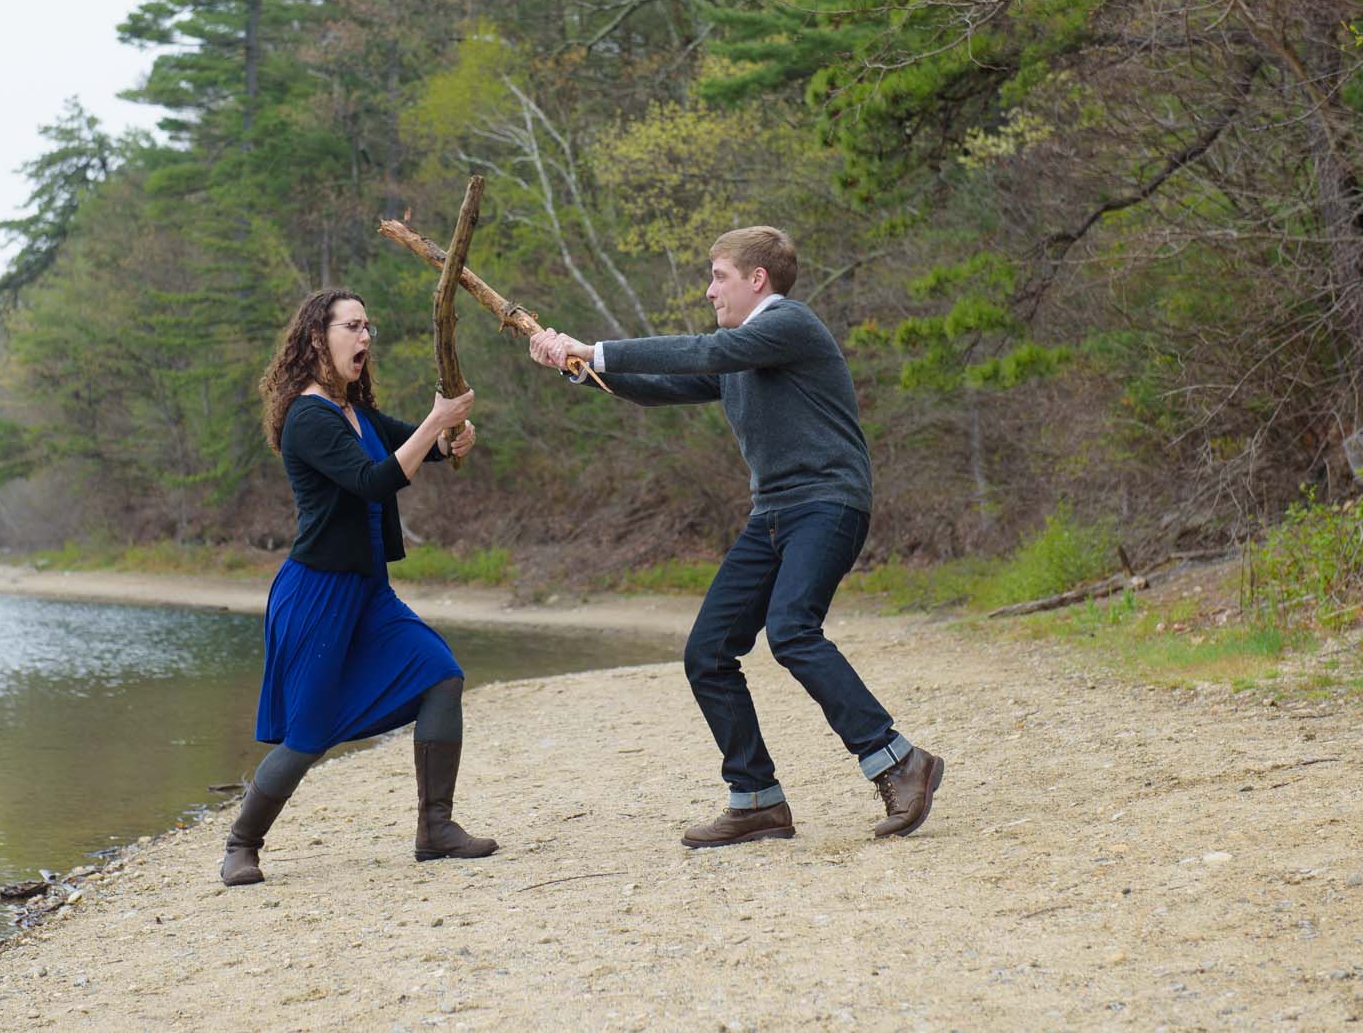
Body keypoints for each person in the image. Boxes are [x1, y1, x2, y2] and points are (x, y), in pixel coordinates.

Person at [528, 226, 944, 846]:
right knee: (708, 653)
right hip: (772, 514)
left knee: (793, 631)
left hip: (827, 502)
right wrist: (578, 366)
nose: (708, 289)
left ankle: (898, 760)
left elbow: (701, 353)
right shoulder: (740, 353)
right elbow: (661, 388)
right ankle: (756, 800)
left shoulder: (789, 326)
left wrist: (597, 347)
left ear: (757, 280)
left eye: (718, 276)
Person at [222, 288, 499, 887]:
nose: (366, 337)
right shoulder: (307, 416)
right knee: (308, 735)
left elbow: (418, 451)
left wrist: (453, 437)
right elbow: (373, 481)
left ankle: (436, 830)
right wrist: (436, 422)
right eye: (353, 326)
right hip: (317, 596)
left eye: (368, 326)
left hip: (370, 592)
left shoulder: (356, 412)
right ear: (317, 338)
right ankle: (241, 845)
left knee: (440, 677)